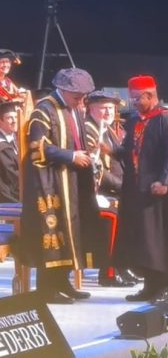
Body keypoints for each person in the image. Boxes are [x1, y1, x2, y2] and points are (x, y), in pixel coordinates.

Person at [18, 68, 101, 304]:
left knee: (71, 231)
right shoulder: (44, 110)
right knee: (53, 234)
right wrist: (71, 156)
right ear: (64, 90)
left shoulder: (74, 109)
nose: (82, 101)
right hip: (50, 182)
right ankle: (47, 289)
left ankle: (63, 282)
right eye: (78, 96)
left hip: (72, 181)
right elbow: (37, 146)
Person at [110, 75, 168, 303]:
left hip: (160, 192)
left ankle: (164, 287)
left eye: (137, 98)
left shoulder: (167, 119)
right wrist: (110, 151)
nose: (134, 103)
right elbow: (130, 150)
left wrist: (164, 181)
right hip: (137, 190)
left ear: (149, 95)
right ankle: (149, 286)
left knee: (161, 240)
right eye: (132, 99)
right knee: (143, 241)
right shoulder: (135, 120)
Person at [83, 90, 136, 288]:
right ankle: (109, 272)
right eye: (103, 108)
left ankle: (125, 265)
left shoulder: (108, 129)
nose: (108, 112)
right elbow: (95, 170)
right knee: (113, 214)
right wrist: (123, 187)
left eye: (111, 108)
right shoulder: (89, 130)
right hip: (94, 192)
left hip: (115, 188)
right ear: (91, 109)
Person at [0, 100, 20, 203]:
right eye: (9, 118)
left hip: (18, 189)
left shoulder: (15, 138)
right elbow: (11, 175)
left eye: (16, 117)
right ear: (1, 121)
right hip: (9, 196)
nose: (14, 121)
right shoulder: (1, 146)